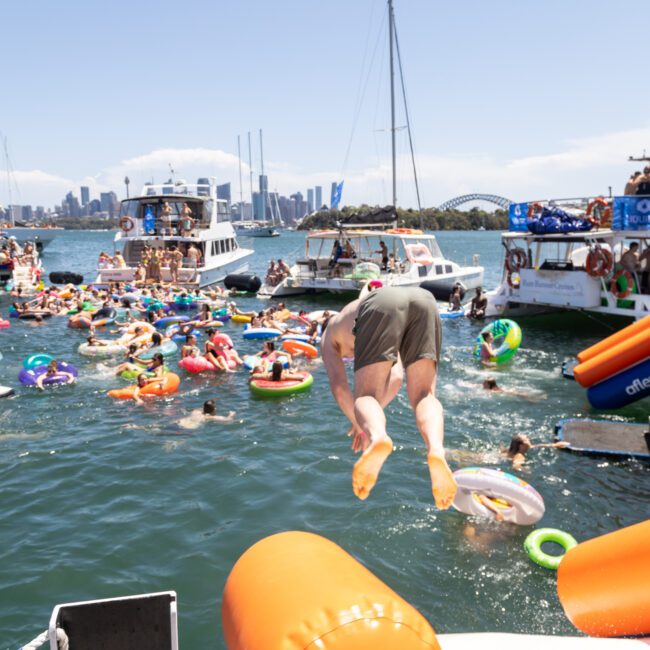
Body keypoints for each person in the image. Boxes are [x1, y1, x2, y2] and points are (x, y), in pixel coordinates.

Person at [321, 285, 456, 507]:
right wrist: (371, 416)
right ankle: (436, 449)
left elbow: (339, 386)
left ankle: (379, 439)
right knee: (424, 394)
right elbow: (396, 377)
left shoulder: (328, 334)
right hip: (425, 299)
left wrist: (362, 425)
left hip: (380, 303)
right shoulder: (351, 314)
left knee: (365, 396)